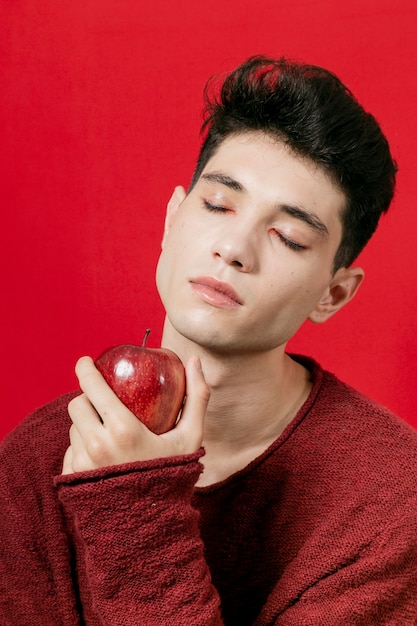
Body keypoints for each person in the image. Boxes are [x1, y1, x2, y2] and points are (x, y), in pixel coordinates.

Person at [1, 55, 416, 626]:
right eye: (218, 205)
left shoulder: (393, 501)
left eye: (290, 237)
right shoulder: (37, 459)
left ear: (334, 294)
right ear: (172, 221)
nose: (234, 247)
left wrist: (133, 503)